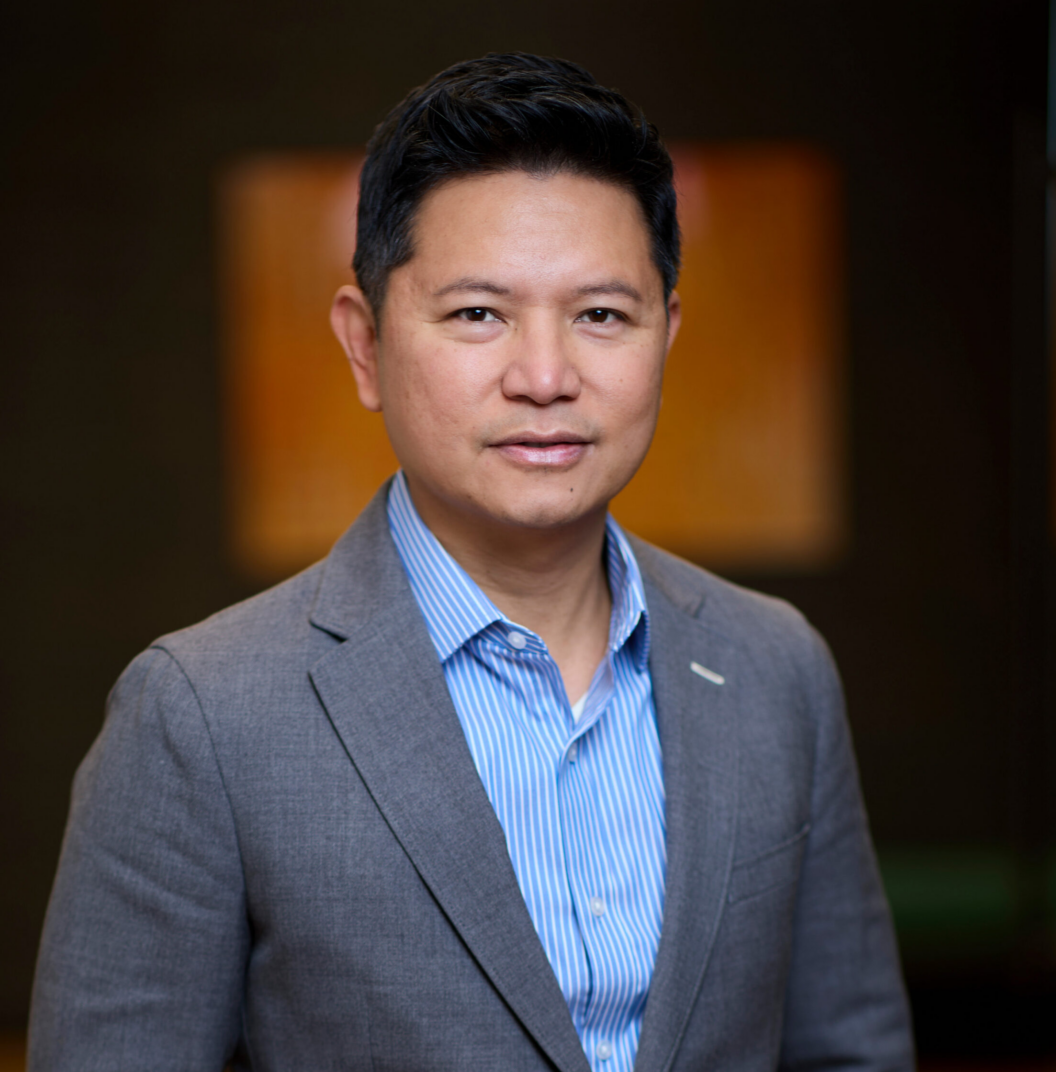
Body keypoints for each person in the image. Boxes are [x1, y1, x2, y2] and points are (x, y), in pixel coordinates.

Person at [29, 52, 913, 1071]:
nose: (545, 376)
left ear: (667, 335)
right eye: (477, 314)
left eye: (601, 315)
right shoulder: (201, 715)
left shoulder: (776, 666)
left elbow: (851, 1048)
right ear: (364, 346)